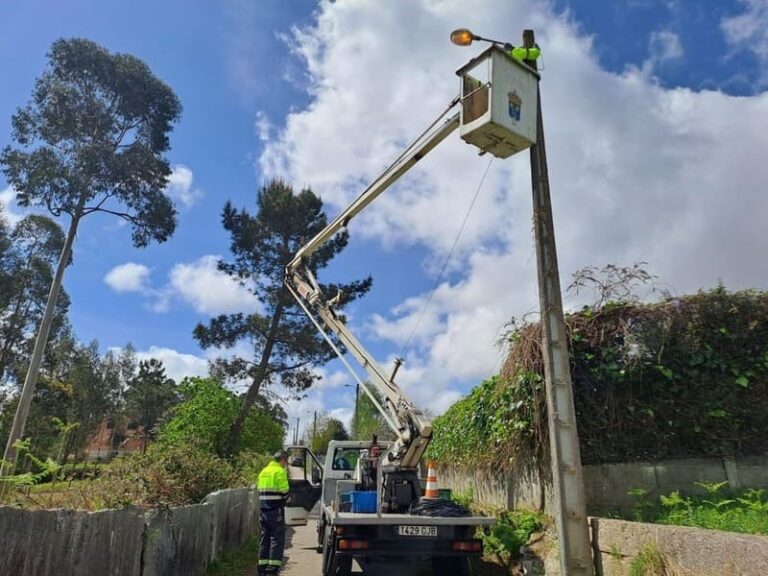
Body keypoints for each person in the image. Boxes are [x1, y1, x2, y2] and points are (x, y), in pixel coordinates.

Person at [257, 451, 290, 575]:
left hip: (263, 511)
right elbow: (285, 491)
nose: (285, 464)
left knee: (264, 538)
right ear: (282, 460)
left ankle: (262, 568)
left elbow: (259, 489)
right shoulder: (280, 472)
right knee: (277, 539)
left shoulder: (264, 471)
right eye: (285, 461)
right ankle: (272, 569)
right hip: (275, 510)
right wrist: (288, 500)